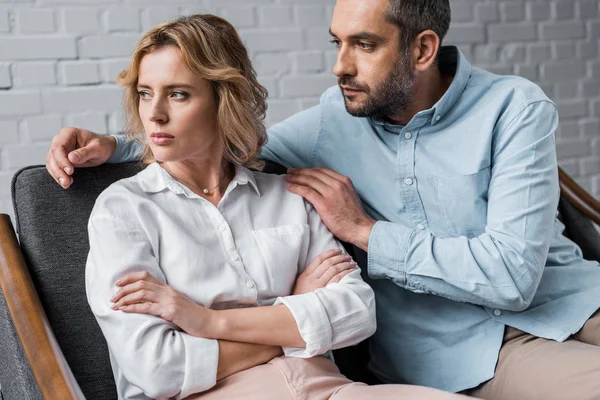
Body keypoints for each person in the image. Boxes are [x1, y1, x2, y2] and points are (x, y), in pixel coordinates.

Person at [46, 1, 600, 399]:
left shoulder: (513, 108)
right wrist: (117, 145)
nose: (339, 66)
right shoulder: (327, 126)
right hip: (469, 347)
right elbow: (214, 137)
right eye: (337, 43)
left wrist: (364, 234)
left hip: (572, 298)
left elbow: (512, 276)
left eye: (364, 45)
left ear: (423, 49)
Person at [84, 12, 469, 400]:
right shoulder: (123, 211)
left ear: (224, 98)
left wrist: (205, 322)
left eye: (178, 93)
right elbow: (159, 370)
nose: (155, 113)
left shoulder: (289, 195)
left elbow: (356, 312)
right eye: (145, 92)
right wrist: (296, 312)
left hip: (332, 390)